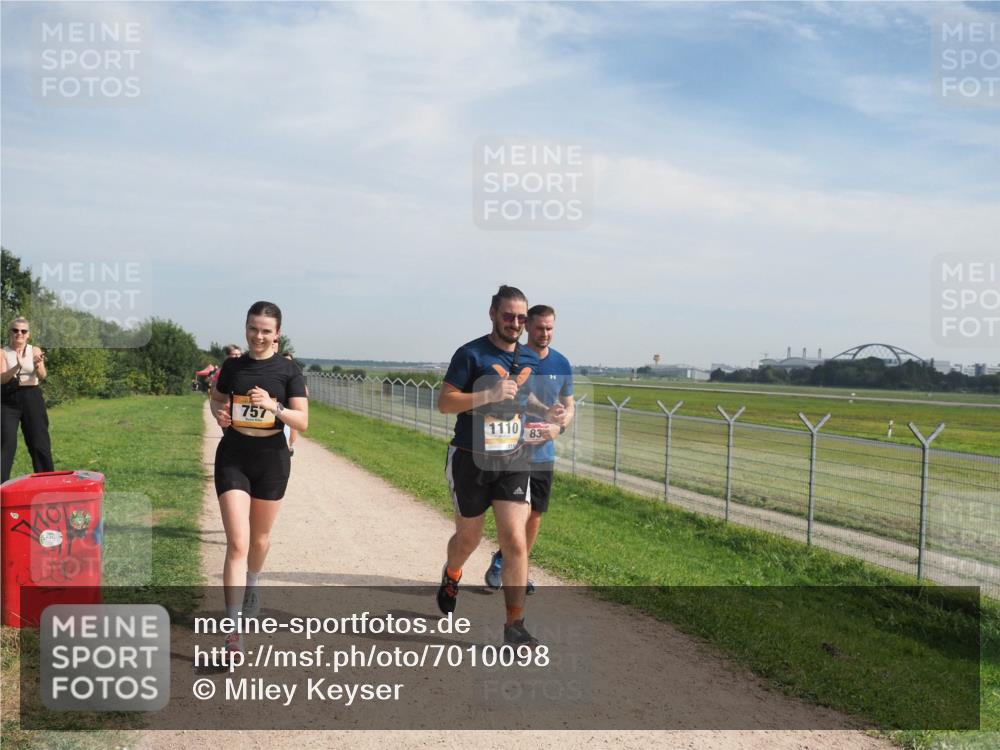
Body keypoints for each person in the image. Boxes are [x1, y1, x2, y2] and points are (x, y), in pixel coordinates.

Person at [436, 285, 562, 648]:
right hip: (470, 459)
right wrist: (488, 395)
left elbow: (523, 396)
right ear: (492, 313)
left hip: (514, 459)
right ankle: (453, 573)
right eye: (509, 316)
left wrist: (543, 411)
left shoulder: (529, 359)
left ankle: (514, 625)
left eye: (522, 318)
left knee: (515, 540)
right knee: (468, 539)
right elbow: (445, 403)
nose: (516, 323)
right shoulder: (470, 353)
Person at [209, 302, 308, 655]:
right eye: (254, 328)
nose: (259, 335)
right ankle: (233, 632)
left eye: (266, 330)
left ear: (277, 333)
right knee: (238, 542)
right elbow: (216, 398)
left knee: (260, 540)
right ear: (246, 328)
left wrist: (273, 406)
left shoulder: (288, 371)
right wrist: (219, 414)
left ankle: (253, 582)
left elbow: (302, 422)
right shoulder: (233, 366)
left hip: (271, 460)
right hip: (233, 456)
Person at [484, 305, 574, 593]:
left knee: (534, 515)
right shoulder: (514, 359)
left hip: (543, 455)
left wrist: (558, 427)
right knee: (512, 514)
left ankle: (506, 562)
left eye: (549, 328)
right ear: (527, 327)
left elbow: (569, 408)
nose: (544, 333)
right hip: (511, 451)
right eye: (539, 328)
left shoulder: (562, 364)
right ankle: (511, 566)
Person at [1, 317, 54, 482]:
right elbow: (2, 379)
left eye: (23, 331)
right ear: (10, 332)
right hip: (8, 399)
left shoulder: (35, 350)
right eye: (15, 330)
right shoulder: (3, 352)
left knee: (39, 442)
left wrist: (38, 365)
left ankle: (47, 482)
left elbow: (43, 376)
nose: (19, 334)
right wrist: (18, 366)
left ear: (28, 334)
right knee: (6, 444)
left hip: (32, 396)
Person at [281, 352, 300, 455]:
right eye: (284, 360)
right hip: (279, 409)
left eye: (289, 360)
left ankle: (289, 446)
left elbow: (304, 392)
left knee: (291, 436)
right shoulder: (275, 373)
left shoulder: (295, 375)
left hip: (290, 409)